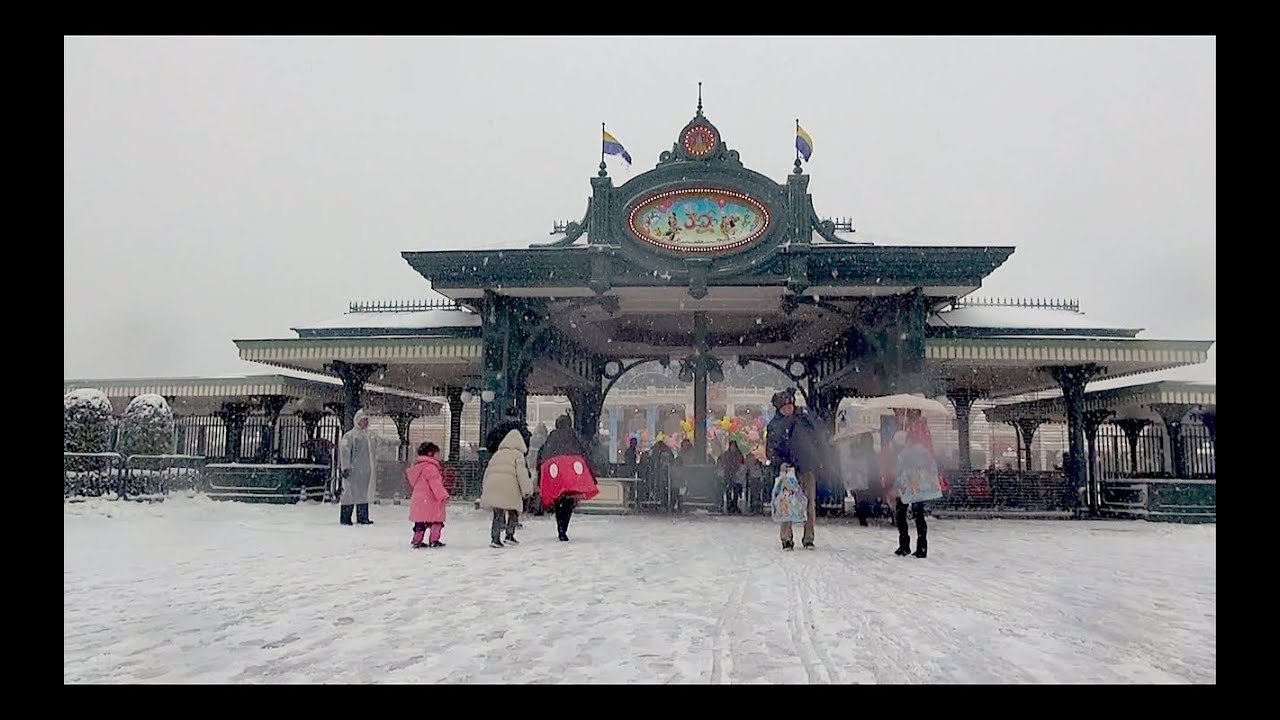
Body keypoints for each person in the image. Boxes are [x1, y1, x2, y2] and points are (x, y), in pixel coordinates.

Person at [765, 388, 831, 550]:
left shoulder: (804, 419)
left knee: (808, 504)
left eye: (790, 405)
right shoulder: (775, 425)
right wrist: (780, 462)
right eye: (784, 407)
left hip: (806, 466)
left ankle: (808, 537)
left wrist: (818, 458)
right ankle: (786, 538)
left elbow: (817, 438)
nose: (788, 409)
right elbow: (771, 449)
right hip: (787, 469)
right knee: (786, 504)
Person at [537, 414, 599, 541]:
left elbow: (542, 454)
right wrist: (591, 474)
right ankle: (563, 528)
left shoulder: (552, 437)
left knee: (558, 501)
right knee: (569, 503)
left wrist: (540, 475)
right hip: (571, 476)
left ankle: (560, 526)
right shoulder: (574, 436)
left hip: (557, 476)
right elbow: (585, 453)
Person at [479, 423, 534, 548]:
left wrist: (485, 489)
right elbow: (522, 474)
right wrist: (527, 490)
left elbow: (488, 472)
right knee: (514, 511)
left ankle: (495, 538)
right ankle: (509, 535)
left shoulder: (497, 454)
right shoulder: (518, 455)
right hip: (510, 488)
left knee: (498, 514)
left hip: (495, 486)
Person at [337, 409, 385, 526]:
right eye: (363, 420)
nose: (366, 423)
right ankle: (346, 518)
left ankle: (363, 517)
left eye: (366, 420)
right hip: (353, 471)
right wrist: (345, 467)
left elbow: (379, 445)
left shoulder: (369, 436)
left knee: (363, 494)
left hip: (365, 472)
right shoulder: (350, 436)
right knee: (349, 494)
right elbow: (344, 451)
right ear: (357, 421)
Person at [405, 442, 448, 548]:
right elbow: (436, 485)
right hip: (431, 500)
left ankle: (417, 540)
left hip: (419, 500)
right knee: (436, 521)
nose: (439, 457)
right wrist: (443, 496)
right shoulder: (431, 468)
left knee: (420, 522)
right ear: (430, 454)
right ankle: (434, 539)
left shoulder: (418, 467)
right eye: (437, 454)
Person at [718, 441, 745, 513]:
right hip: (728, 475)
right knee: (728, 490)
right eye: (731, 446)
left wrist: (738, 471)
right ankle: (729, 505)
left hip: (737, 475)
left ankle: (735, 505)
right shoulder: (726, 455)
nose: (733, 448)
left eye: (734, 446)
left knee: (736, 491)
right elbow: (723, 462)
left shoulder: (739, 454)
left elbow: (742, 463)